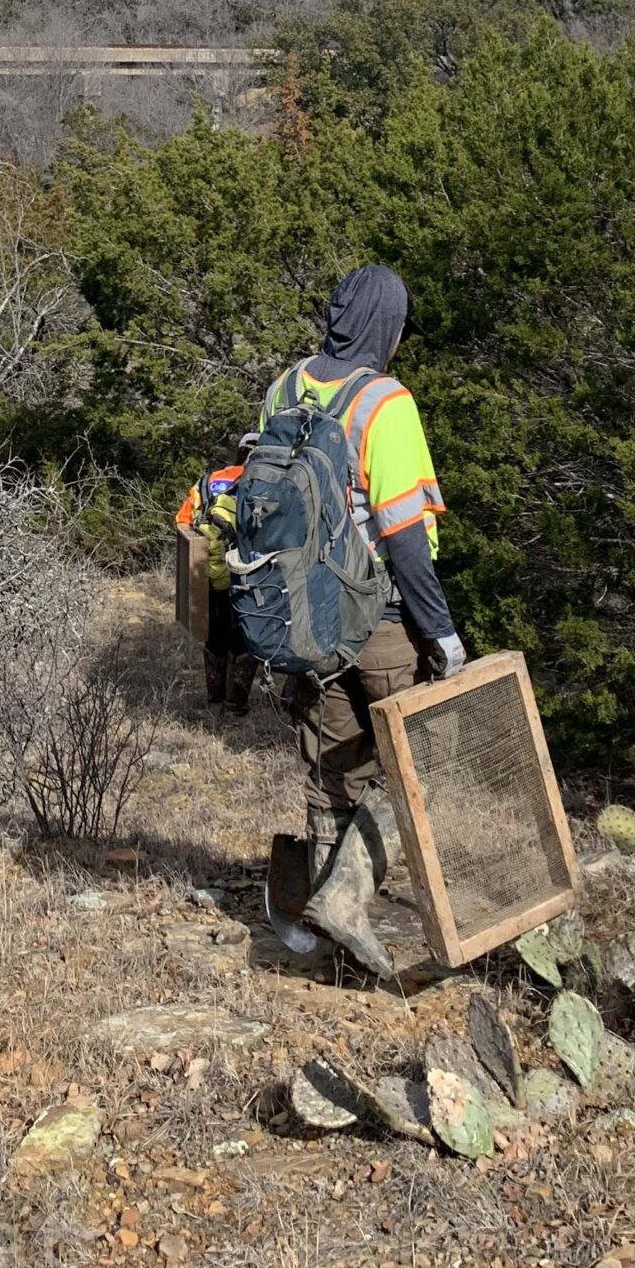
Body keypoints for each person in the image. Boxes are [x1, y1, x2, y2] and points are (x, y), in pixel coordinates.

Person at [262, 263, 464, 976]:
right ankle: (346, 906)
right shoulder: (385, 403)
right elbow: (404, 534)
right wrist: (440, 633)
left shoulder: (284, 387)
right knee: (420, 769)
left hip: (302, 620)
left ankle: (324, 938)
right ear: (390, 328)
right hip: (376, 618)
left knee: (332, 777)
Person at [174, 454, 258, 713]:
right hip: (251, 575)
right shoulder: (266, 481)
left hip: (211, 573)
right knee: (244, 639)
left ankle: (214, 700)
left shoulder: (207, 482)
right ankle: (236, 704)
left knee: (214, 637)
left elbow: (182, 522)